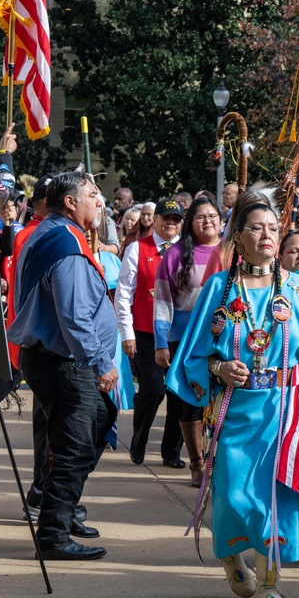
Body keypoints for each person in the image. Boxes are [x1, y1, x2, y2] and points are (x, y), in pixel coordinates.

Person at [166, 196, 299, 598]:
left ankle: (271, 580)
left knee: (277, 494)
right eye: (257, 228)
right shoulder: (218, 290)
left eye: (273, 228)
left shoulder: (297, 289)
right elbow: (192, 356)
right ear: (238, 239)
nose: (267, 235)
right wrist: (220, 368)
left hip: (286, 407)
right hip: (234, 409)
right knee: (233, 495)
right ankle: (231, 558)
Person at [7, 171, 118, 560]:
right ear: (70, 202)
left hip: (59, 359)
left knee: (99, 424)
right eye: (92, 194)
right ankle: (53, 534)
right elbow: (74, 315)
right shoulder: (63, 243)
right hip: (66, 361)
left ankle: (64, 510)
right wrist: (101, 361)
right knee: (73, 447)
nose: (100, 201)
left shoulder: (57, 233)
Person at [153, 197, 222, 487]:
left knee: (223, 401)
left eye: (212, 215)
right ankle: (197, 463)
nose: (207, 221)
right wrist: (161, 341)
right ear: (190, 222)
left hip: (225, 337)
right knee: (192, 400)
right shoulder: (176, 254)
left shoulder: (234, 251)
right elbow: (163, 301)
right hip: (185, 339)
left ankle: (220, 461)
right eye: (200, 217)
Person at [114, 198, 184, 467]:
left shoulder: (186, 251)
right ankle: (139, 441)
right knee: (153, 390)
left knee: (178, 393)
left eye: (176, 219)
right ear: (155, 220)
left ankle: (171, 452)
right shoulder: (137, 249)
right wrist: (126, 332)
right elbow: (123, 294)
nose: (170, 223)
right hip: (145, 333)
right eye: (165, 218)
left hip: (178, 334)